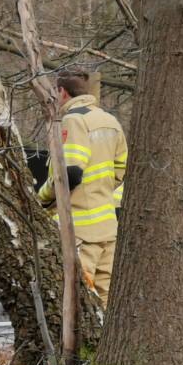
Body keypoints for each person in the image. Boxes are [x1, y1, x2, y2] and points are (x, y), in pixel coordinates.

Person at [37, 69, 127, 308]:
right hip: (107, 228)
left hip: (80, 230)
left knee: (80, 299)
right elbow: (121, 172)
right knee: (105, 299)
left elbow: (71, 172)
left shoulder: (73, 120)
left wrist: (42, 197)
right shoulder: (110, 122)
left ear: (61, 92)